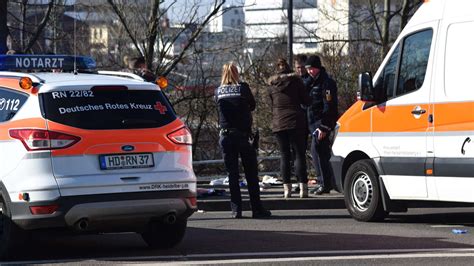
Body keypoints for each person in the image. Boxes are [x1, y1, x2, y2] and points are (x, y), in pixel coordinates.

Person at [215, 62, 271, 219]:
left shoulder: (218, 91)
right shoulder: (242, 88)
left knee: (232, 174)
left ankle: (236, 210)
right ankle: (257, 209)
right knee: (251, 173)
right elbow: (252, 105)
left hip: (225, 136)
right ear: (236, 73)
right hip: (242, 136)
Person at [267, 58, 311, 198]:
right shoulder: (296, 81)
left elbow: (272, 103)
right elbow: (306, 101)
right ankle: (303, 188)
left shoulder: (272, 85)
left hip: (278, 123)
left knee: (284, 155)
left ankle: (287, 189)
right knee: (299, 154)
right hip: (296, 121)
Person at [305, 55, 338, 194]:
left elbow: (329, 105)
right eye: (308, 69)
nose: (310, 72)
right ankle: (325, 182)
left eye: (312, 69)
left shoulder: (326, 83)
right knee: (317, 151)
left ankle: (324, 183)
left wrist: (324, 125)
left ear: (317, 67)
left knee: (319, 151)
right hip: (312, 122)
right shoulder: (309, 83)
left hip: (322, 122)